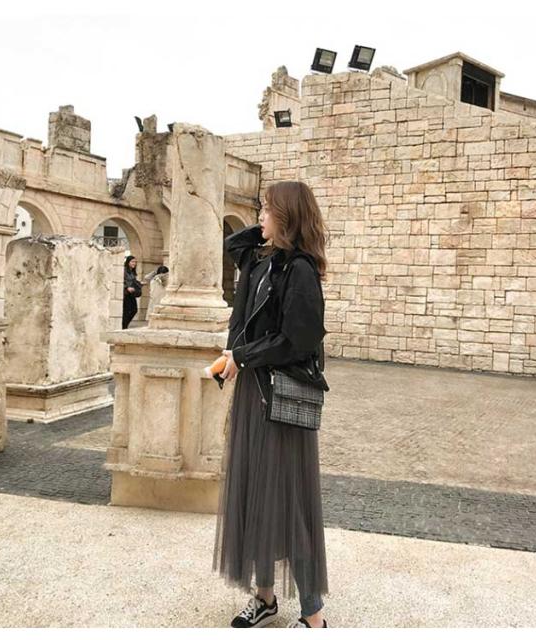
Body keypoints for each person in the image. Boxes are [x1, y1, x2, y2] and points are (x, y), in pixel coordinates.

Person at [212, 181, 330, 628]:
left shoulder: (299, 270)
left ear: (287, 216)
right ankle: (264, 597)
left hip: (279, 396)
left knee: (289, 501)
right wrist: (266, 230)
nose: (258, 217)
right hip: (254, 391)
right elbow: (233, 245)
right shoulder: (263, 260)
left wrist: (242, 356)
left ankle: (314, 615)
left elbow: (298, 341)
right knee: (255, 494)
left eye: (266, 210)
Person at [122, 255, 142, 329]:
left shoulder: (132, 272)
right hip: (126, 293)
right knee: (127, 311)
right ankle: (124, 326)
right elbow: (121, 281)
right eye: (132, 262)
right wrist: (127, 288)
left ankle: (124, 325)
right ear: (128, 262)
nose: (134, 263)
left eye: (135, 262)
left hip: (131, 293)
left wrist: (140, 283)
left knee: (134, 310)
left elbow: (133, 282)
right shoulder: (124, 270)